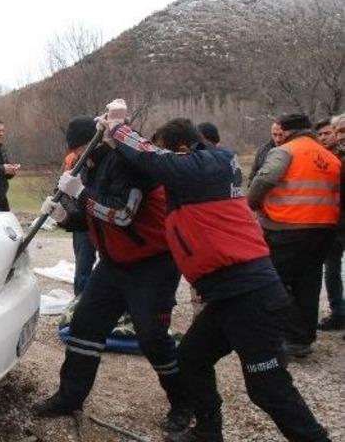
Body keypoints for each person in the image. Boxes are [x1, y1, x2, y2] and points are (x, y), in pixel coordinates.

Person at [102, 106, 329, 442]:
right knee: (192, 358)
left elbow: (152, 160)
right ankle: (208, 432)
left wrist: (119, 129)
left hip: (250, 295)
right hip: (226, 295)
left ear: (181, 150)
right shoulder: (198, 176)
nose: (164, 159)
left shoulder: (210, 164)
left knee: (267, 388)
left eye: (166, 150)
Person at [33, 115, 192, 434]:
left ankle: (184, 403)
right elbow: (94, 217)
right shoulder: (89, 168)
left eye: (82, 149)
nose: (79, 156)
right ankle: (69, 396)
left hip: (152, 263)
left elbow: (121, 214)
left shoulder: (125, 163)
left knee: (152, 337)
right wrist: (65, 215)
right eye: (76, 151)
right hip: (113, 264)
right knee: (84, 326)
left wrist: (79, 194)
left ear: (95, 141)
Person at [247, 113, 341, 356]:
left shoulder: (285, 151)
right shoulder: (330, 157)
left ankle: (290, 334)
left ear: (287, 132)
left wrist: (254, 204)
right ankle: (303, 339)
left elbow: (264, 179)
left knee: (274, 282)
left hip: (287, 228)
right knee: (308, 285)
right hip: (324, 229)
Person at [315, 117, 345, 330]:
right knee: (331, 268)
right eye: (338, 131)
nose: (338, 135)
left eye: (335, 131)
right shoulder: (322, 157)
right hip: (333, 222)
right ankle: (339, 312)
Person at [62, 137, 96, 296]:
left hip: (100, 218)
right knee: (83, 264)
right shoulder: (72, 161)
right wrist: (67, 214)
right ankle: (80, 301)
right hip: (82, 220)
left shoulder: (103, 161)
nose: (76, 153)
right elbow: (61, 191)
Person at [247, 121, 284, 186]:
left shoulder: (292, 150)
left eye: (281, 135)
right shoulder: (262, 150)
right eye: (275, 135)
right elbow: (253, 174)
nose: (278, 139)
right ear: (271, 134)